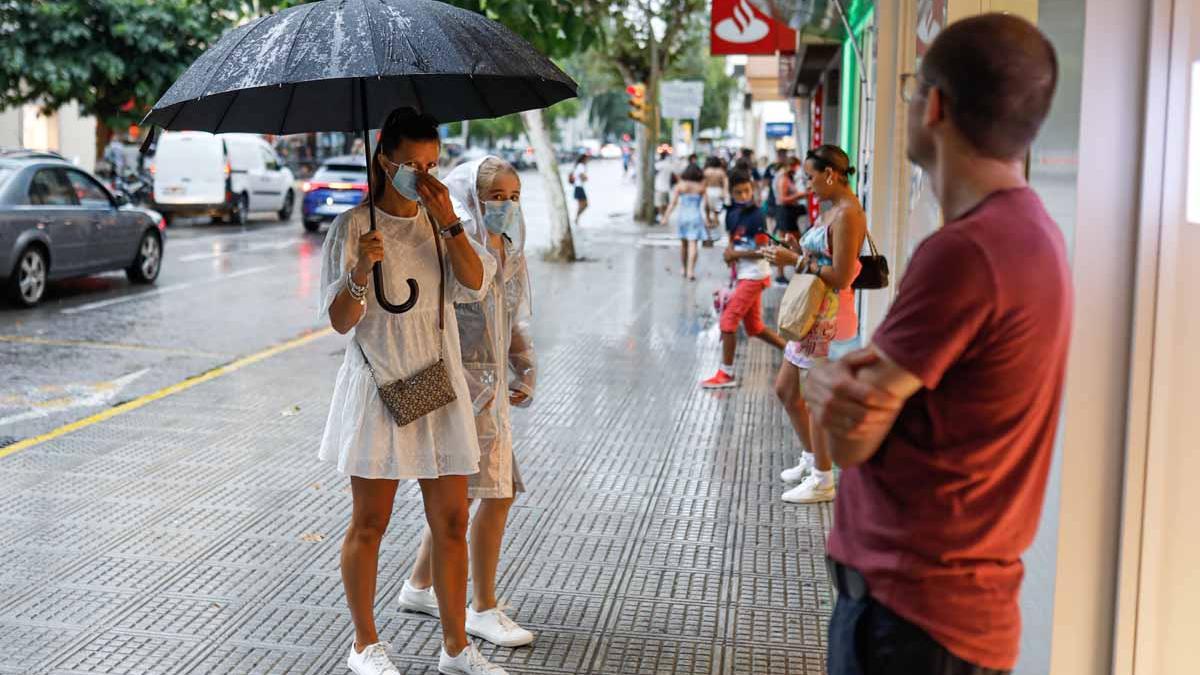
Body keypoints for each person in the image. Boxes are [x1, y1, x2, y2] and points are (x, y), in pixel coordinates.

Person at [802, 15, 1067, 675]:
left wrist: (824, 381)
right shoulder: (1031, 233)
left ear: (936, 104)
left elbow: (851, 436)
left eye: (911, 91)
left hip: (912, 623)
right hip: (950, 615)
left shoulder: (967, 252)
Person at [318, 107, 505, 675]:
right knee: (369, 523)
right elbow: (340, 320)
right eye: (410, 165)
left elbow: (477, 282)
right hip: (379, 383)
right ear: (383, 159)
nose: (422, 176)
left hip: (436, 384)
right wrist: (359, 270)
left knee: (450, 522)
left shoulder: (441, 222)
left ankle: (455, 649)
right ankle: (364, 644)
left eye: (432, 164)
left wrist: (449, 220)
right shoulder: (352, 227)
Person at [399, 156, 538, 651]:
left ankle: (419, 586)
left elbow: (510, 315)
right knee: (492, 494)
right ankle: (481, 607)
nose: (506, 206)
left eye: (514, 196)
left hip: (492, 388)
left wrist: (524, 361)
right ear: (473, 198)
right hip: (459, 388)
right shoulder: (459, 246)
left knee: (466, 496)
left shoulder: (511, 247)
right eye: (496, 197)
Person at [763, 144, 864, 505]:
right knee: (786, 390)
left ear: (831, 175)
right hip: (810, 314)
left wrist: (794, 260)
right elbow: (821, 257)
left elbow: (838, 276)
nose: (807, 184)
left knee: (815, 398)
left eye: (810, 177)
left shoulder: (849, 214)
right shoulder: (833, 210)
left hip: (828, 317)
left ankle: (823, 479)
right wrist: (794, 250)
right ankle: (812, 459)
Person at [700, 169, 787, 389]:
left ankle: (726, 374)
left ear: (752, 189)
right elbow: (732, 241)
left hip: (755, 276)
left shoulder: (757, 215)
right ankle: (793, 354)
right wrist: (730, 254)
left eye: (747, 191)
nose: (744, 196)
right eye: (738, 192)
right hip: (742, 275)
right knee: (755, 327)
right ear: (732, 193)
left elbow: (764, 250)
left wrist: (736, 255)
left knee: (728, 323)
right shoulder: (731, 213)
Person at [662, 163, 707, 281]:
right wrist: (709, 218)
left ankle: (683, 268)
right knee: (693, 245)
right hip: (696, 217)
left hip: (683, 217)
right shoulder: (701, 187)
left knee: (683, 245)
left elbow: (673, 203)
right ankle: (691, 271)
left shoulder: (680, 186)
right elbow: (706, 205)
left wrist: (666, 216)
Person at [772, 156, 808, 283]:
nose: (797, 169)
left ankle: (793, 271)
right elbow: (782, 199)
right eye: (796, 166)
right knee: (789, 243)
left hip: (788, 214)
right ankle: (784, 273)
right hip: (785, 213)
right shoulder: (783, 179)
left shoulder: (788, 178)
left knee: (791, 243)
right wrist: (799, 195)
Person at [702, 156, 729, 233]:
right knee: (717, 208)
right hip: (718, 190)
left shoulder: (706, 171)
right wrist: (725, 192)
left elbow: (703, 184)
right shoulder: (721, 171)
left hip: (708, 190)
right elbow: (725, 183)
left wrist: (703, 193)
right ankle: (716, 219)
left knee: (707, 206)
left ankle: (708, 220)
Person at [654, 151, 675, 224]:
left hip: (659, 187)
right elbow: (673, 176)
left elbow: (654, 173)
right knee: (666, 204)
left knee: (659, 204)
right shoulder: (669, 164)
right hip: (667, 187)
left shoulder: (659, 165)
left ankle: (662, 218)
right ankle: (665, 217)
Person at [569, 154, 589, 224]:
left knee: (582, 205)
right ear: (584, 159)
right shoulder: (581, 166)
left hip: (577, 187)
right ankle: (576, 218)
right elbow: (581, 175)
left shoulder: (578, 166)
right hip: (579, 187)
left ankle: (576, 219)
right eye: (587, 159)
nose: (587, 161)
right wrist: (585, 178)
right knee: (585, 204)